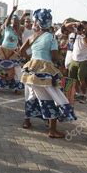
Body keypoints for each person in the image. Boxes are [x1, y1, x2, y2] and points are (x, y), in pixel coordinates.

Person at [20, 9, 76, 137]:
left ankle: (26, 122)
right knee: (52, 97)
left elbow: (21, 51)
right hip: (45, 70)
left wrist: (32, 60)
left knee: (31, 95)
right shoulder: (51, 37)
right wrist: (61, 60)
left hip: (31, 70)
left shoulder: (32, 36)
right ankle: (52, 130)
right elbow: (54, 56)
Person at [0, 6, 23, 93]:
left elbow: (21, 43)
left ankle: (16, 88)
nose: (16, 23)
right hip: (3, 50)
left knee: (17, 69)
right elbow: (8, 21)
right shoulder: (8, 28)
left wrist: (21, 50)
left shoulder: (19, 32)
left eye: (17, 21)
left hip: (13, 52)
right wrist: (13, 11)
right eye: (14, 21)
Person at [68, 24, 87, 102]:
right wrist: (74, 23)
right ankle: (77, 94)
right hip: (74, 59)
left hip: (83, 60)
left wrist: (83, 35)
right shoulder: (75, 34)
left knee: (81, 79)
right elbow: (66, 27)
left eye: (84, 28)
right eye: (81, 28)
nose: (82, 29)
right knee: (73, 79)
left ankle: (83, 95)